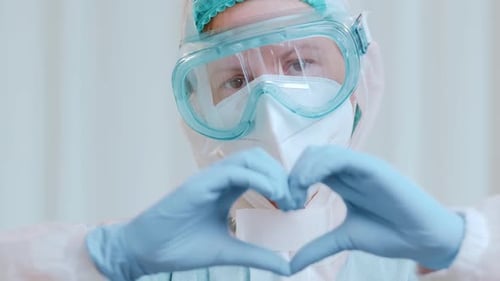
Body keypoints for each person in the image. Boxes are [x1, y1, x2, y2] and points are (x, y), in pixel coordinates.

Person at [1, 0, 499, 280]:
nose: (270, 105)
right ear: (197, 111)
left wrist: (466, 247)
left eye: (300, 63)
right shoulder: (151, 258)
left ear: (358, 83)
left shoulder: (428, 261)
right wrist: (93, 259)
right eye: (236, 81)